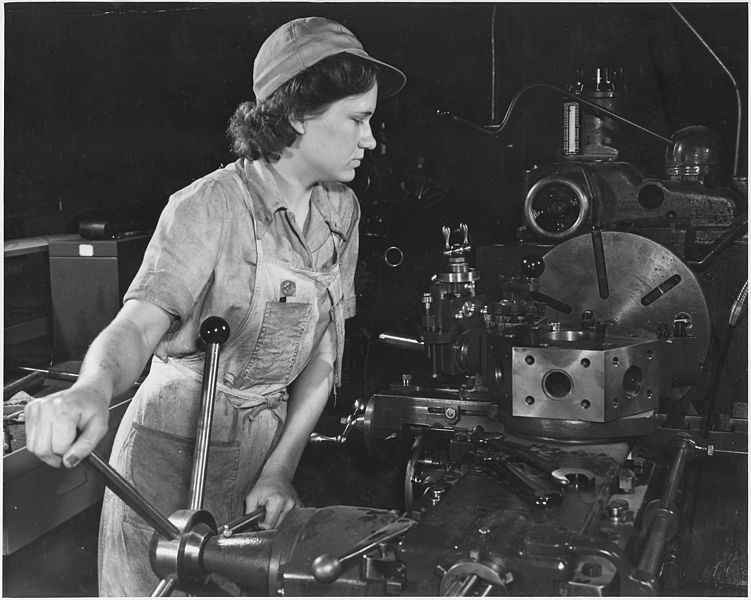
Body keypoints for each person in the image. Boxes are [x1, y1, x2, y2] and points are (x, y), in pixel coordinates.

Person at [24, 16, 406, 596]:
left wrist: (280, 467)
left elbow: (324, 356)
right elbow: (137, 324)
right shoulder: (208, 207)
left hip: (261, 451)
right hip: (169, 457)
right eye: (357, 120)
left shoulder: (341, 211)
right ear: (299, 115)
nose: (370, 139)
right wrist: (92, 389)